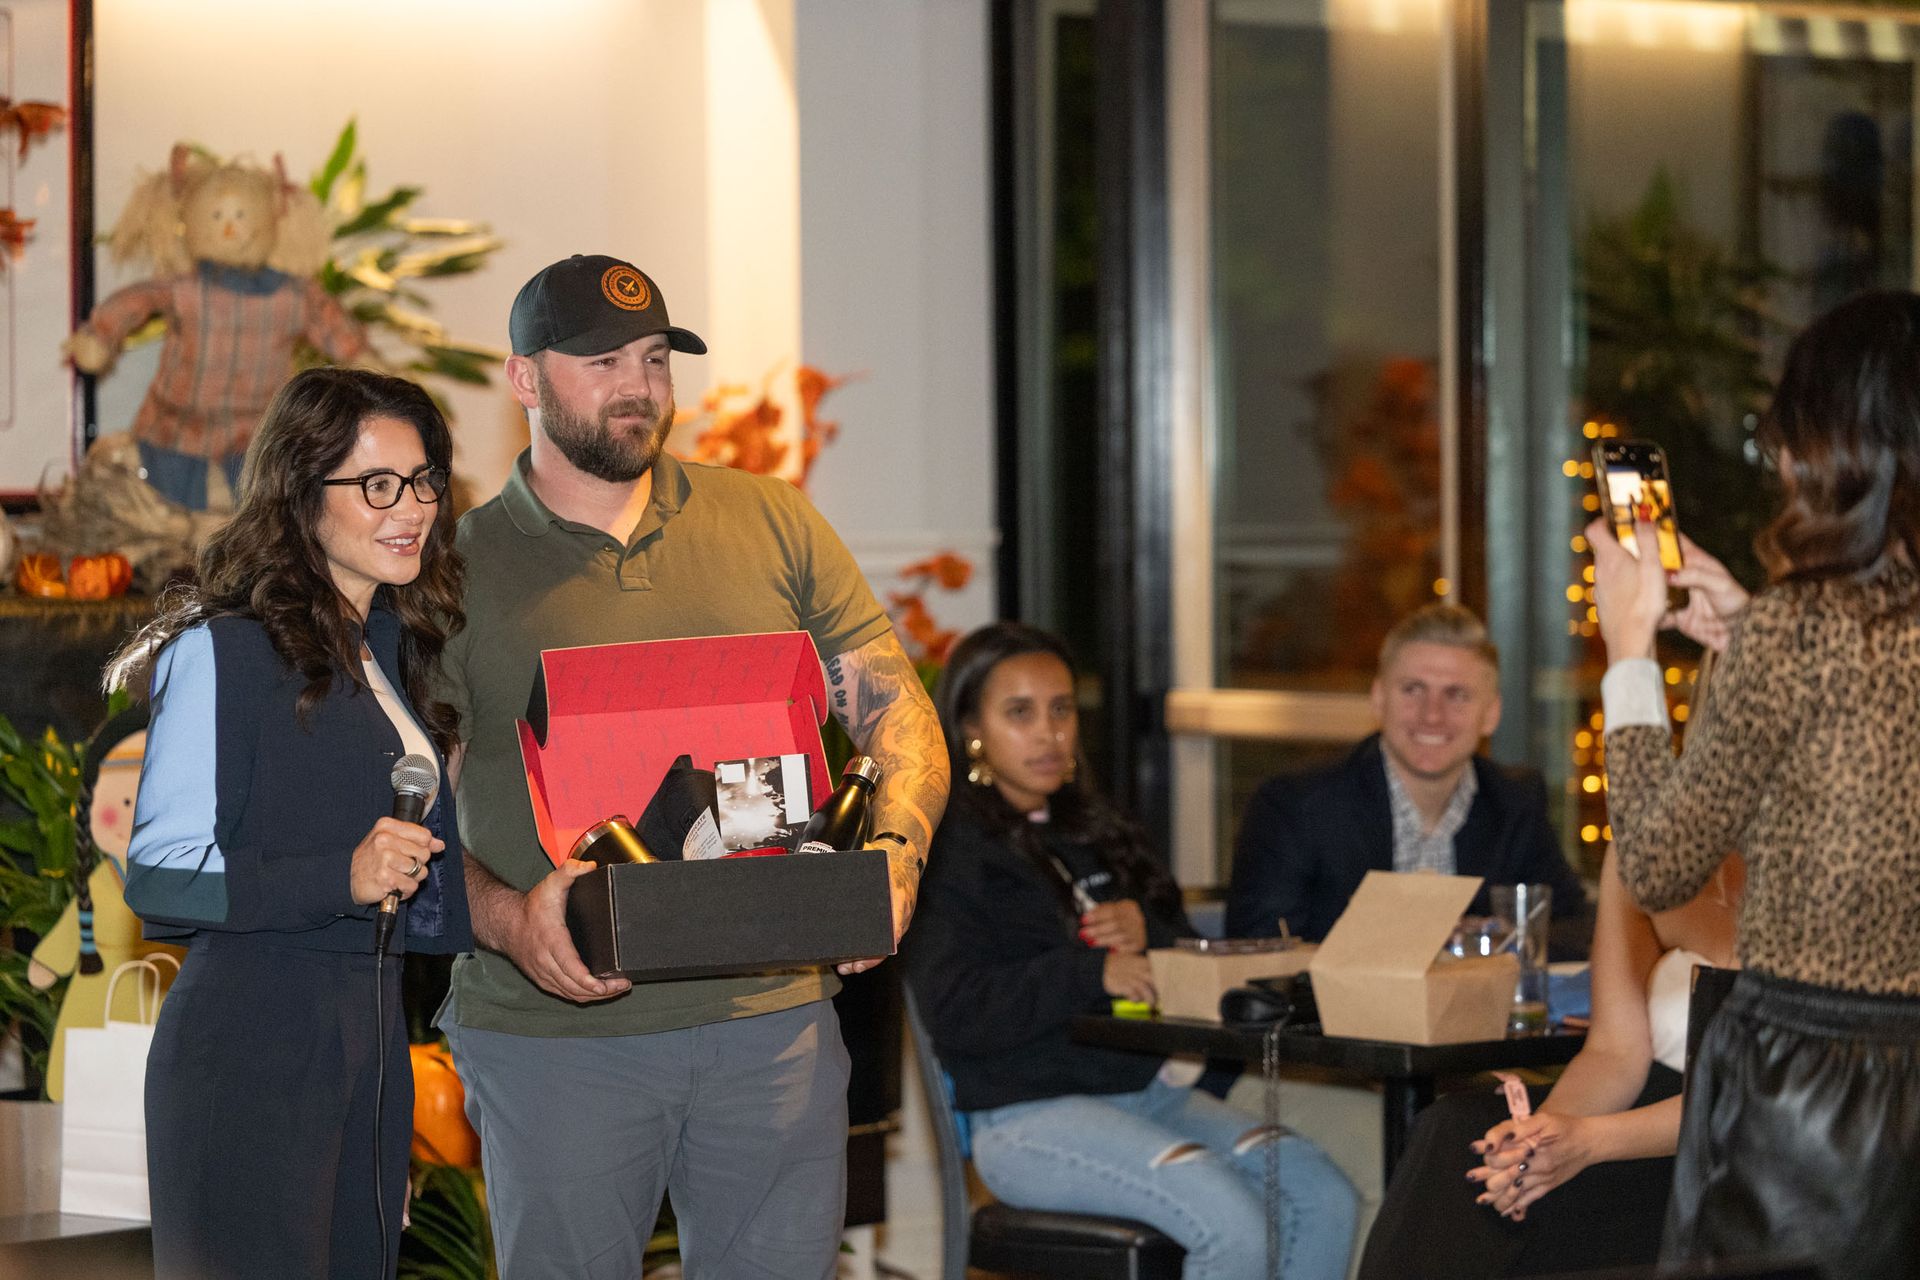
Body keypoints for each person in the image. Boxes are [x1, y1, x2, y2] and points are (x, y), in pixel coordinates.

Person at [436, 253, 949, 1279]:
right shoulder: (451, 566)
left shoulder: (773, 520)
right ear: (525, 379)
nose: (639, 384)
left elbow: (899, 706)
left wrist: (894, 854)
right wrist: (507, 919)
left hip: (774, 1029)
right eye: (601, 359)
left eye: (656, 357)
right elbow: (403, 818)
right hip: (556, 1034)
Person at [108, 366, 472, 1279]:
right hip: (252, 1048)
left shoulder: (391, 651)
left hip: (374, 1039)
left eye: (424, 480)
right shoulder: (223, 648)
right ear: (301, 495)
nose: (412, 508)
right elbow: (156, 873)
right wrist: (337, 876)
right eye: (376, 485)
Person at [1591, 289, 1920, 1275]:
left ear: (1830, 446)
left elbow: (1655, 863)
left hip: (1810, 1092)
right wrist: (1742, 637)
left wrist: (1630, 651)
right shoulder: (1821, 635)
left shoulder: (1802, 628)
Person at [903, 622, 1360, 1280]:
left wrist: (1147, 932)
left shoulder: (1095, 829)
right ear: (971, 728)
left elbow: (1182, 962)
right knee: (1231, 1224)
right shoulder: (948, 850)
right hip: (1028, 1116)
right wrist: (1091, 969)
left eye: (1062, 710)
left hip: (1146, 1094)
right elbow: (955, 1011)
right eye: (1020, 713)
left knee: (1323, 1197)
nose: (1050, 734)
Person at [1355, 845, 1741, 1277]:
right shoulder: (1639, 849)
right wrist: (1536, 1145)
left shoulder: (1810, 851)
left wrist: (1588, 1142)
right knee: (1457, 1134)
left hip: (1741, 1137)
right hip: (1646, 1099)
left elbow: (1762, 1094)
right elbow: (1614, 1052)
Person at [1226, 603, 1588, 950]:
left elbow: (1578, 929)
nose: (1432, 716)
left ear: (1491, 714)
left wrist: (1484, 942)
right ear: (1379, 699)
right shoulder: (1295, 806)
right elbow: (1255, 951)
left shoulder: (1514, 803)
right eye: (1413, 690)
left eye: (1457, 695)